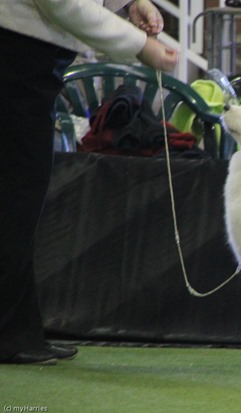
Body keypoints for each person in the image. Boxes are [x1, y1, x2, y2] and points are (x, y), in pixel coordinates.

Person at [0, 0, 178, 365]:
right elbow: (60, 3)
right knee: (16, 200)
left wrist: (127, 3)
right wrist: (139, 45)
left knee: (19, 199)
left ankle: (17, 332)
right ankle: (9, 336)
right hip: (16, 57)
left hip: (27, 60)